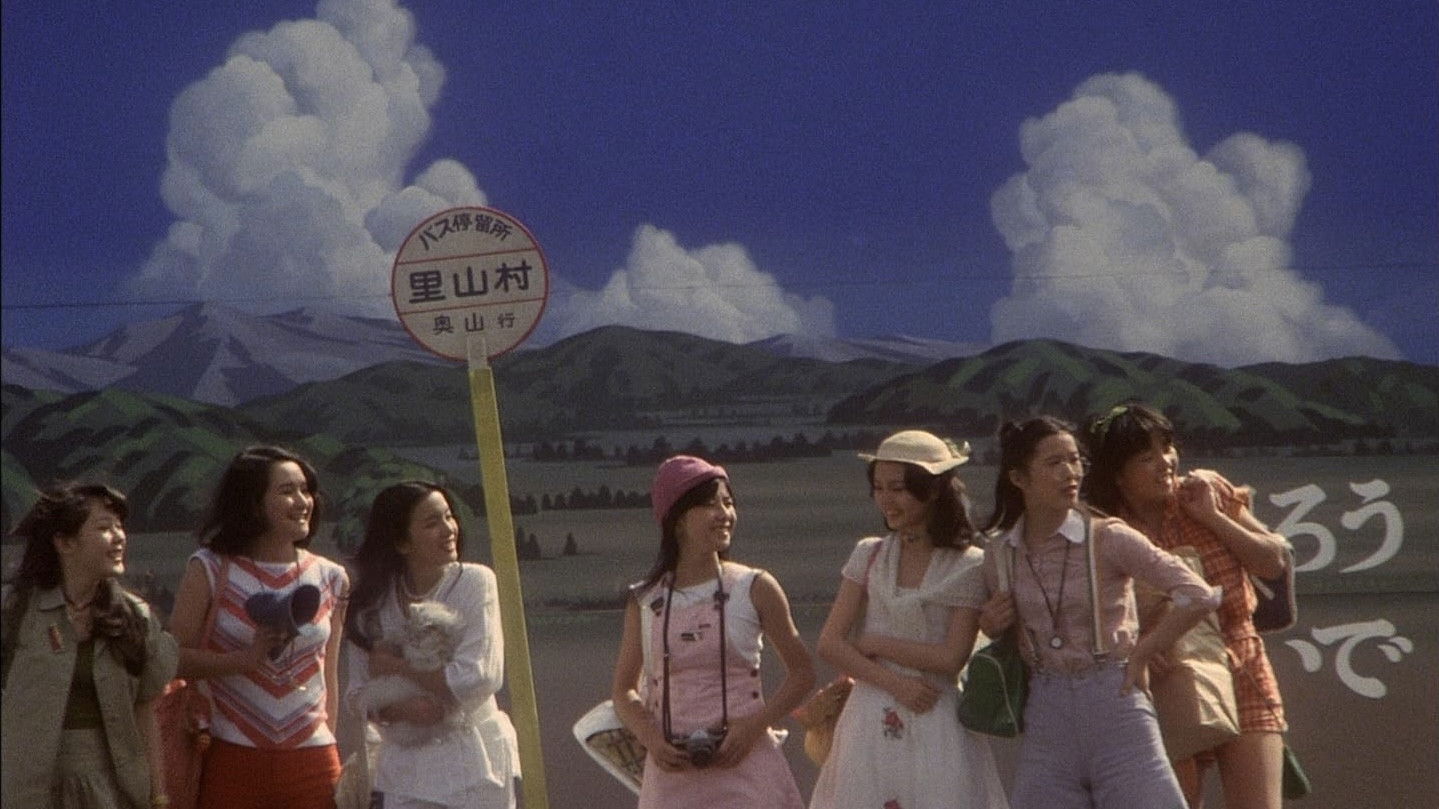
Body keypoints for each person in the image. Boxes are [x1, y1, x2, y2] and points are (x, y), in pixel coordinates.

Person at [977, 416, 1221, 809]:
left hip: (1114, 699)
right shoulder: (1000, 553)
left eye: (1075, 460)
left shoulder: (1108, 536)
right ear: (1019, 478)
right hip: (1046, 709)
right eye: (1054, 463)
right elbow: (994, 632)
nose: (1070, 473)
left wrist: (1144, 651)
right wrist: (991, 625)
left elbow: (1199, 595)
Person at [1083, 403, 1291, 809]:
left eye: (1167, 447)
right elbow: (1090, 612)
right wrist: (1140, 644)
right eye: (1146, 457)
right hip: (1166, 676)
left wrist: (1213, 517)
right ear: (1117, 475)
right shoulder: (1105, 529)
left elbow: (1271, 563)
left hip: (1241, 660)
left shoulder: (1203, 491)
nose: (1165, 462)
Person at [810, 430, 1008, 809]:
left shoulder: (969, 565)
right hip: (869, 716)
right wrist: (896, 684)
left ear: (932, 491)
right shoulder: (869, 554)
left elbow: (951, 657)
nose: (886, 499)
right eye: (879, 488)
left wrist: (875, 644)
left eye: (898, 488)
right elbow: (830, 643)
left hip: (937, 715)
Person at [610, 455, 814, 808]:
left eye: (728, 503)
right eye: (709, 505)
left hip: (747, 770)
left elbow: (803, 673)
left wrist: (754, 727)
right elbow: (623, 690)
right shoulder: (645, 600)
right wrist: (650, 738)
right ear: (677, 518)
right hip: (672, 776)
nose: (724, 514)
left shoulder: (755, 587)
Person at [169, 446, 349, 809]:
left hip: (314, 759)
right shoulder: (211, 568)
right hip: (232, 756)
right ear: (252, 503)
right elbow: (171, 659)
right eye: (286, 491)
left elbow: (328, 674)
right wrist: (243, 660)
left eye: (306, 490)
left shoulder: (331, 576)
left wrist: (330, 738)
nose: (303, 501)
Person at [343, 481, 520, 809]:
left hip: (473, 767)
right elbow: (356, 694)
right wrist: (401, 710)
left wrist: (398, 668)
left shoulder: (474, 581)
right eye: (431, 523)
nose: (448, 529)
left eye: (449, 517)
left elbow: (478, 676)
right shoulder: (372, 602)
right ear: (401, 542)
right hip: (402, 772)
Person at [2, 483, 178, 808]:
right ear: (64, 542)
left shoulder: (133, 616)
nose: (119, 537)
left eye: (120, 526)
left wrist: (158, 796)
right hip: (27, 789)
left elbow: (145, 712)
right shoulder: (15, 611)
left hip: (111, 788)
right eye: (104, 527)